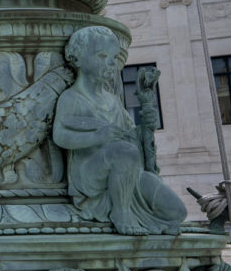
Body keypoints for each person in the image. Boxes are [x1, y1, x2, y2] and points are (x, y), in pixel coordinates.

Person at [53, 26, 185, 235]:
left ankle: (140, 216)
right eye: (102, 55)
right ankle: (121, 213)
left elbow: (130, 138)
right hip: (89, 173)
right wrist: (97, 136)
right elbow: (60, 136)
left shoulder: (112, 101)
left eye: (113, 57)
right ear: (78, 59)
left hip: (127, 172)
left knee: (177, 211)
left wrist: (145, 128)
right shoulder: (72, 98)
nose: (110, 63)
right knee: (122, 151)